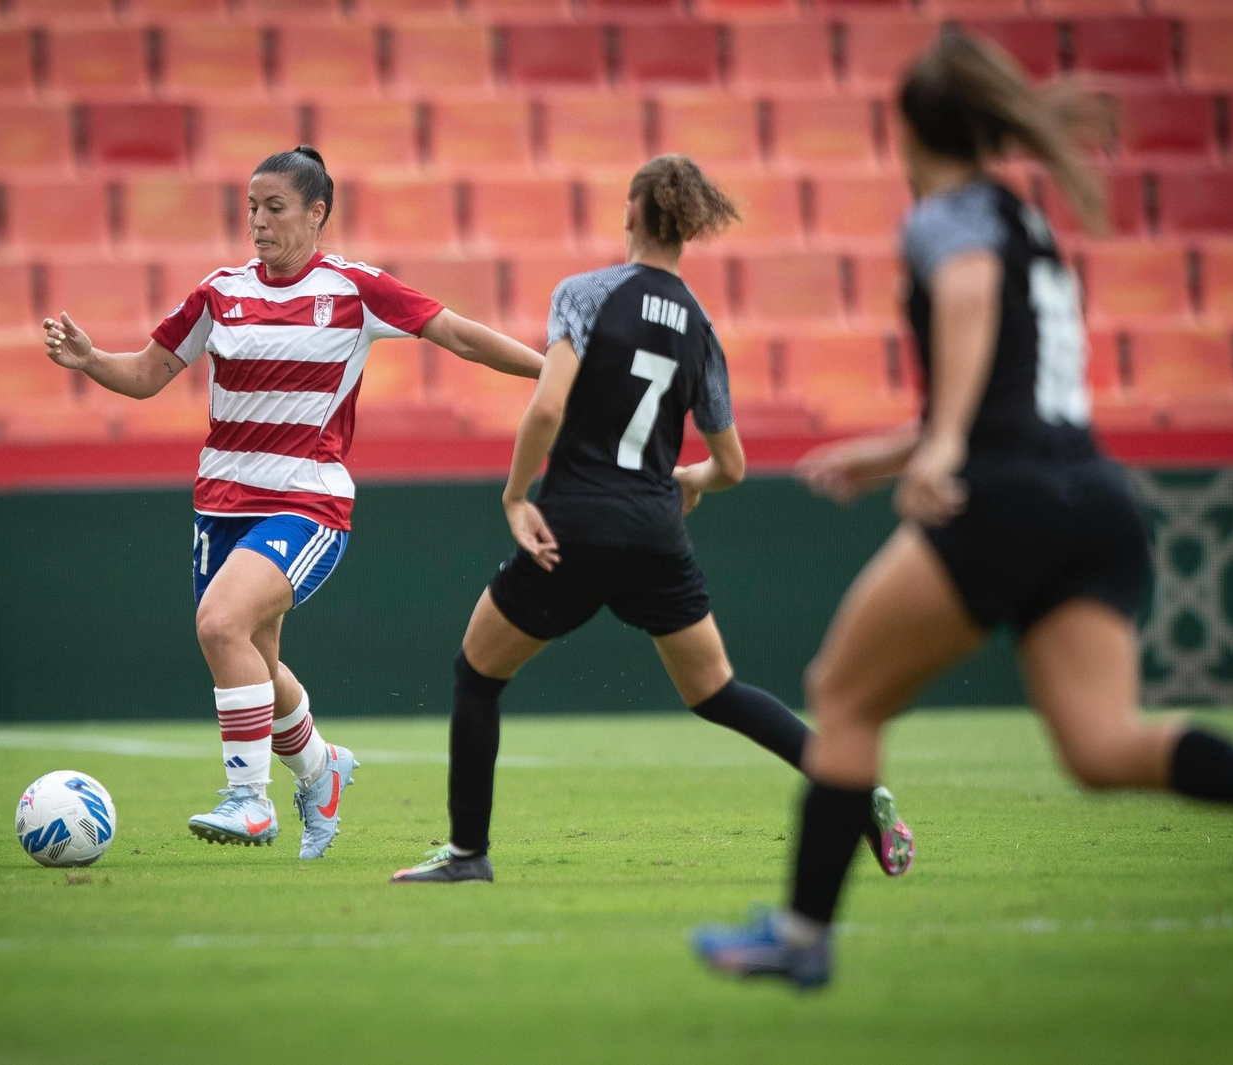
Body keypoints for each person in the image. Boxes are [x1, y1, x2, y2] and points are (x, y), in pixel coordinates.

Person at [693, 31, 1233, 988]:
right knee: (1098, 744)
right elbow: (1015, 377)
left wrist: (946, 445)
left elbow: (967, 299)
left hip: (1006, 498)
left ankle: (802, 934)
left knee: (842, 692)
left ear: (912, 132)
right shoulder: (1025, 222)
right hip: (1094, 500)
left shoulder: (946, 221)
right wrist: (893, 452)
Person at [389, 155, 915, 884]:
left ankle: (469, 854)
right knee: (719, 692)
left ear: (632, 212)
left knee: (477, 673)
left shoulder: (587, 293)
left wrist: (516, 496)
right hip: (655, 530)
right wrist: (689, 478)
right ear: (691, 225)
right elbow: (730, 463)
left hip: (574, 523)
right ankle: (854, 793)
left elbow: (548, 402)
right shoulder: (700, 327)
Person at [40, 147, 545, 859]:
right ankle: (319, 769)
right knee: (253, 662)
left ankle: (250, 801)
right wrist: (92, 360)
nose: (258, 222)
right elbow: (149, 374)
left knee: (219, 625)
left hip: (306, 502)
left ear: (317, 212)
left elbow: (457, 333)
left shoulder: (355, 289)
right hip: (220, 504)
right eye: (250, 207)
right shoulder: (218, 293)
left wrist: (550, 369)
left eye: (274, 207)